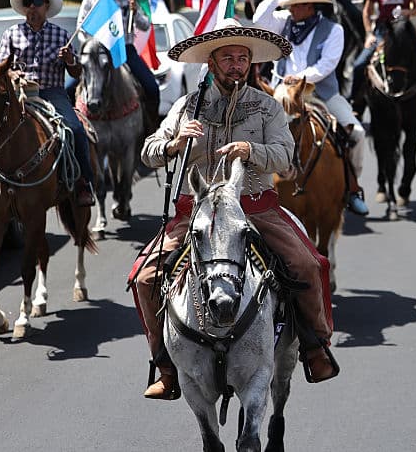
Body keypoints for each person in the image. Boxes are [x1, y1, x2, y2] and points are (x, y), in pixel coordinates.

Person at [130, 20, 338, 400]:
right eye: (228, 57)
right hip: (199, 212)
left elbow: (285, 156)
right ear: (211, 63)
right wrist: (174, 145)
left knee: (309, 265)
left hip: (255, 207)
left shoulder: (266, 107)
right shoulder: (186, 106)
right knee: (144, 277)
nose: (237, 65)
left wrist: (251, 151)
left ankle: (314, 347)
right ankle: (164, 366)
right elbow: (148, 152)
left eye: (243, 58)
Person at [0, 0, 95, 209]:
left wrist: (70, 60)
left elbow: (77, 71)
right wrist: (13, 74)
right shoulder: (12, 34)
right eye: (28, 2)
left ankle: (83, 183)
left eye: (37, 2)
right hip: (19, 94)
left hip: (52, 93)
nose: (32, 6)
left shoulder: (61, 36)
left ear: (45, 7)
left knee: (75, 128)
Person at [252, 0, 369, 216]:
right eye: (291, 4)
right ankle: (252, 187)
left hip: (319, 93)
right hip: (282, 94)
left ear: (310, 6)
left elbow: (326, 64)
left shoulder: (334, 29)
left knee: (357, 133)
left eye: (297, 4)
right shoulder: (283, 22)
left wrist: (299, 78)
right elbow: (258, 20)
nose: (292, 8)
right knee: (252, 130)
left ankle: (352, 187)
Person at [79, 0, 161, 133]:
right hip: (97, 52)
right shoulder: (90, 0)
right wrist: (88, 46)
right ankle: (77, 125)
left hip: (124, 50)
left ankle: (151, 128)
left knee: (151, 87)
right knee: (70, 87)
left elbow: (145, 25)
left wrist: (136, 10)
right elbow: (81, 28)